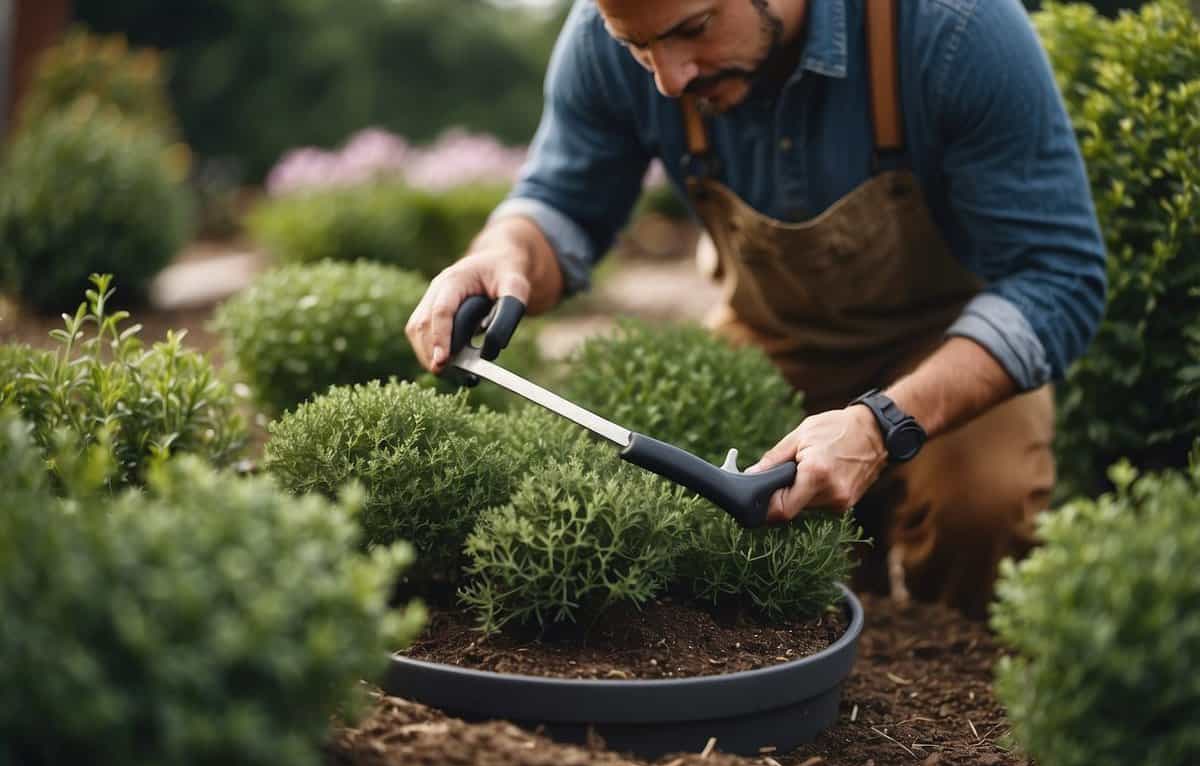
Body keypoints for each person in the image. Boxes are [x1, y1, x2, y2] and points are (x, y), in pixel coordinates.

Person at [405, 0, 1107, 618]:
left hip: (949, 344)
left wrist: (880, 422)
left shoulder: (956, 26)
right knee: (688, 514)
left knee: (980, 505)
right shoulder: (610, 34)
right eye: (639, 50)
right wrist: (504, 253)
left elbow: (1058, 276)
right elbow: (558, 205)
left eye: (694, 29)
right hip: (769, 336)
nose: (669, 79)